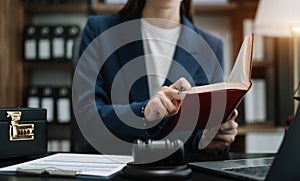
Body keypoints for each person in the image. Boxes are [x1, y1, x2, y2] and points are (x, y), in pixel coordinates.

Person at [76, 0, 238, 155]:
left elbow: (201, 130)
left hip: (180, 169)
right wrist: (144, 113)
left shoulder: (210, 47)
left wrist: (209, 140)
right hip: (112, 165)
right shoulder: (99, 30)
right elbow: (88, 117)